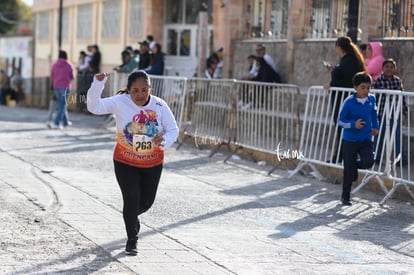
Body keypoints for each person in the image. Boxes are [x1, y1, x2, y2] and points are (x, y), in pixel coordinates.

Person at [87, 70, 178, 256]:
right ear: (128, 90)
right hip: (125, 161)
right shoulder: (120, 102)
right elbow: (94, 107)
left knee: (146, 202)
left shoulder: (160, 105)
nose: (140, 95)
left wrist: (164, 141)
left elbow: (173, 129)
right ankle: (132, 240)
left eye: (144, 90)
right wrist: (97, 84)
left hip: (152, 163)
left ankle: (131, 217)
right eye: (135, 90)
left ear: (150, 89)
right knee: (131, 199)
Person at [338, 72, 379, 205]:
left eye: (368, 87)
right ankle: (345, 196)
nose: (366, 90)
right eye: (363, 87)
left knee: (369, 162)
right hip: (349, 140)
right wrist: (353, 124)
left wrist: (375, 126)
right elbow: (340, 120)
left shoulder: (372, 99)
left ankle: (353, 167)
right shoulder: (349, 102)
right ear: (355, 87)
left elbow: (374, 112)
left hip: (365, 138)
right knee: (348, 173)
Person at [324, 36, 366, 163]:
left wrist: (332, 86)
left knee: (344, 126)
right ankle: (342, 155)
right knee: (341, 127)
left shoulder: (349, 61)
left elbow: (348, 81)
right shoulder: (345, 60)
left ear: (339, 47)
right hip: (340, 99)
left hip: (344, 99)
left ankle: (345, 155)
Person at [371, 58, 407, 165]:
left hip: (395, 113)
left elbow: (402, 96)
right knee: (379, 136)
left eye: (391, 67)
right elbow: (373, 97)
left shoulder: (397, 81)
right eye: (387, 67)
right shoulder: (378, 81)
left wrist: (404, 110)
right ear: (382, 68)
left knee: (397, 136)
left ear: (395, 69)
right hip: (381, 113)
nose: (389, 69)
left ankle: (399, 159)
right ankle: (376, 157)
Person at [50, 50, 74, 128]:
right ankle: (56, 123)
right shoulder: (69, 65)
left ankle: (66, 122)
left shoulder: (54, 65)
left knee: (61, 105)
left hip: (56, 87)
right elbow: (72, 76)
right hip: (65, 87)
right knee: (62, 105)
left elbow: (52, 76)